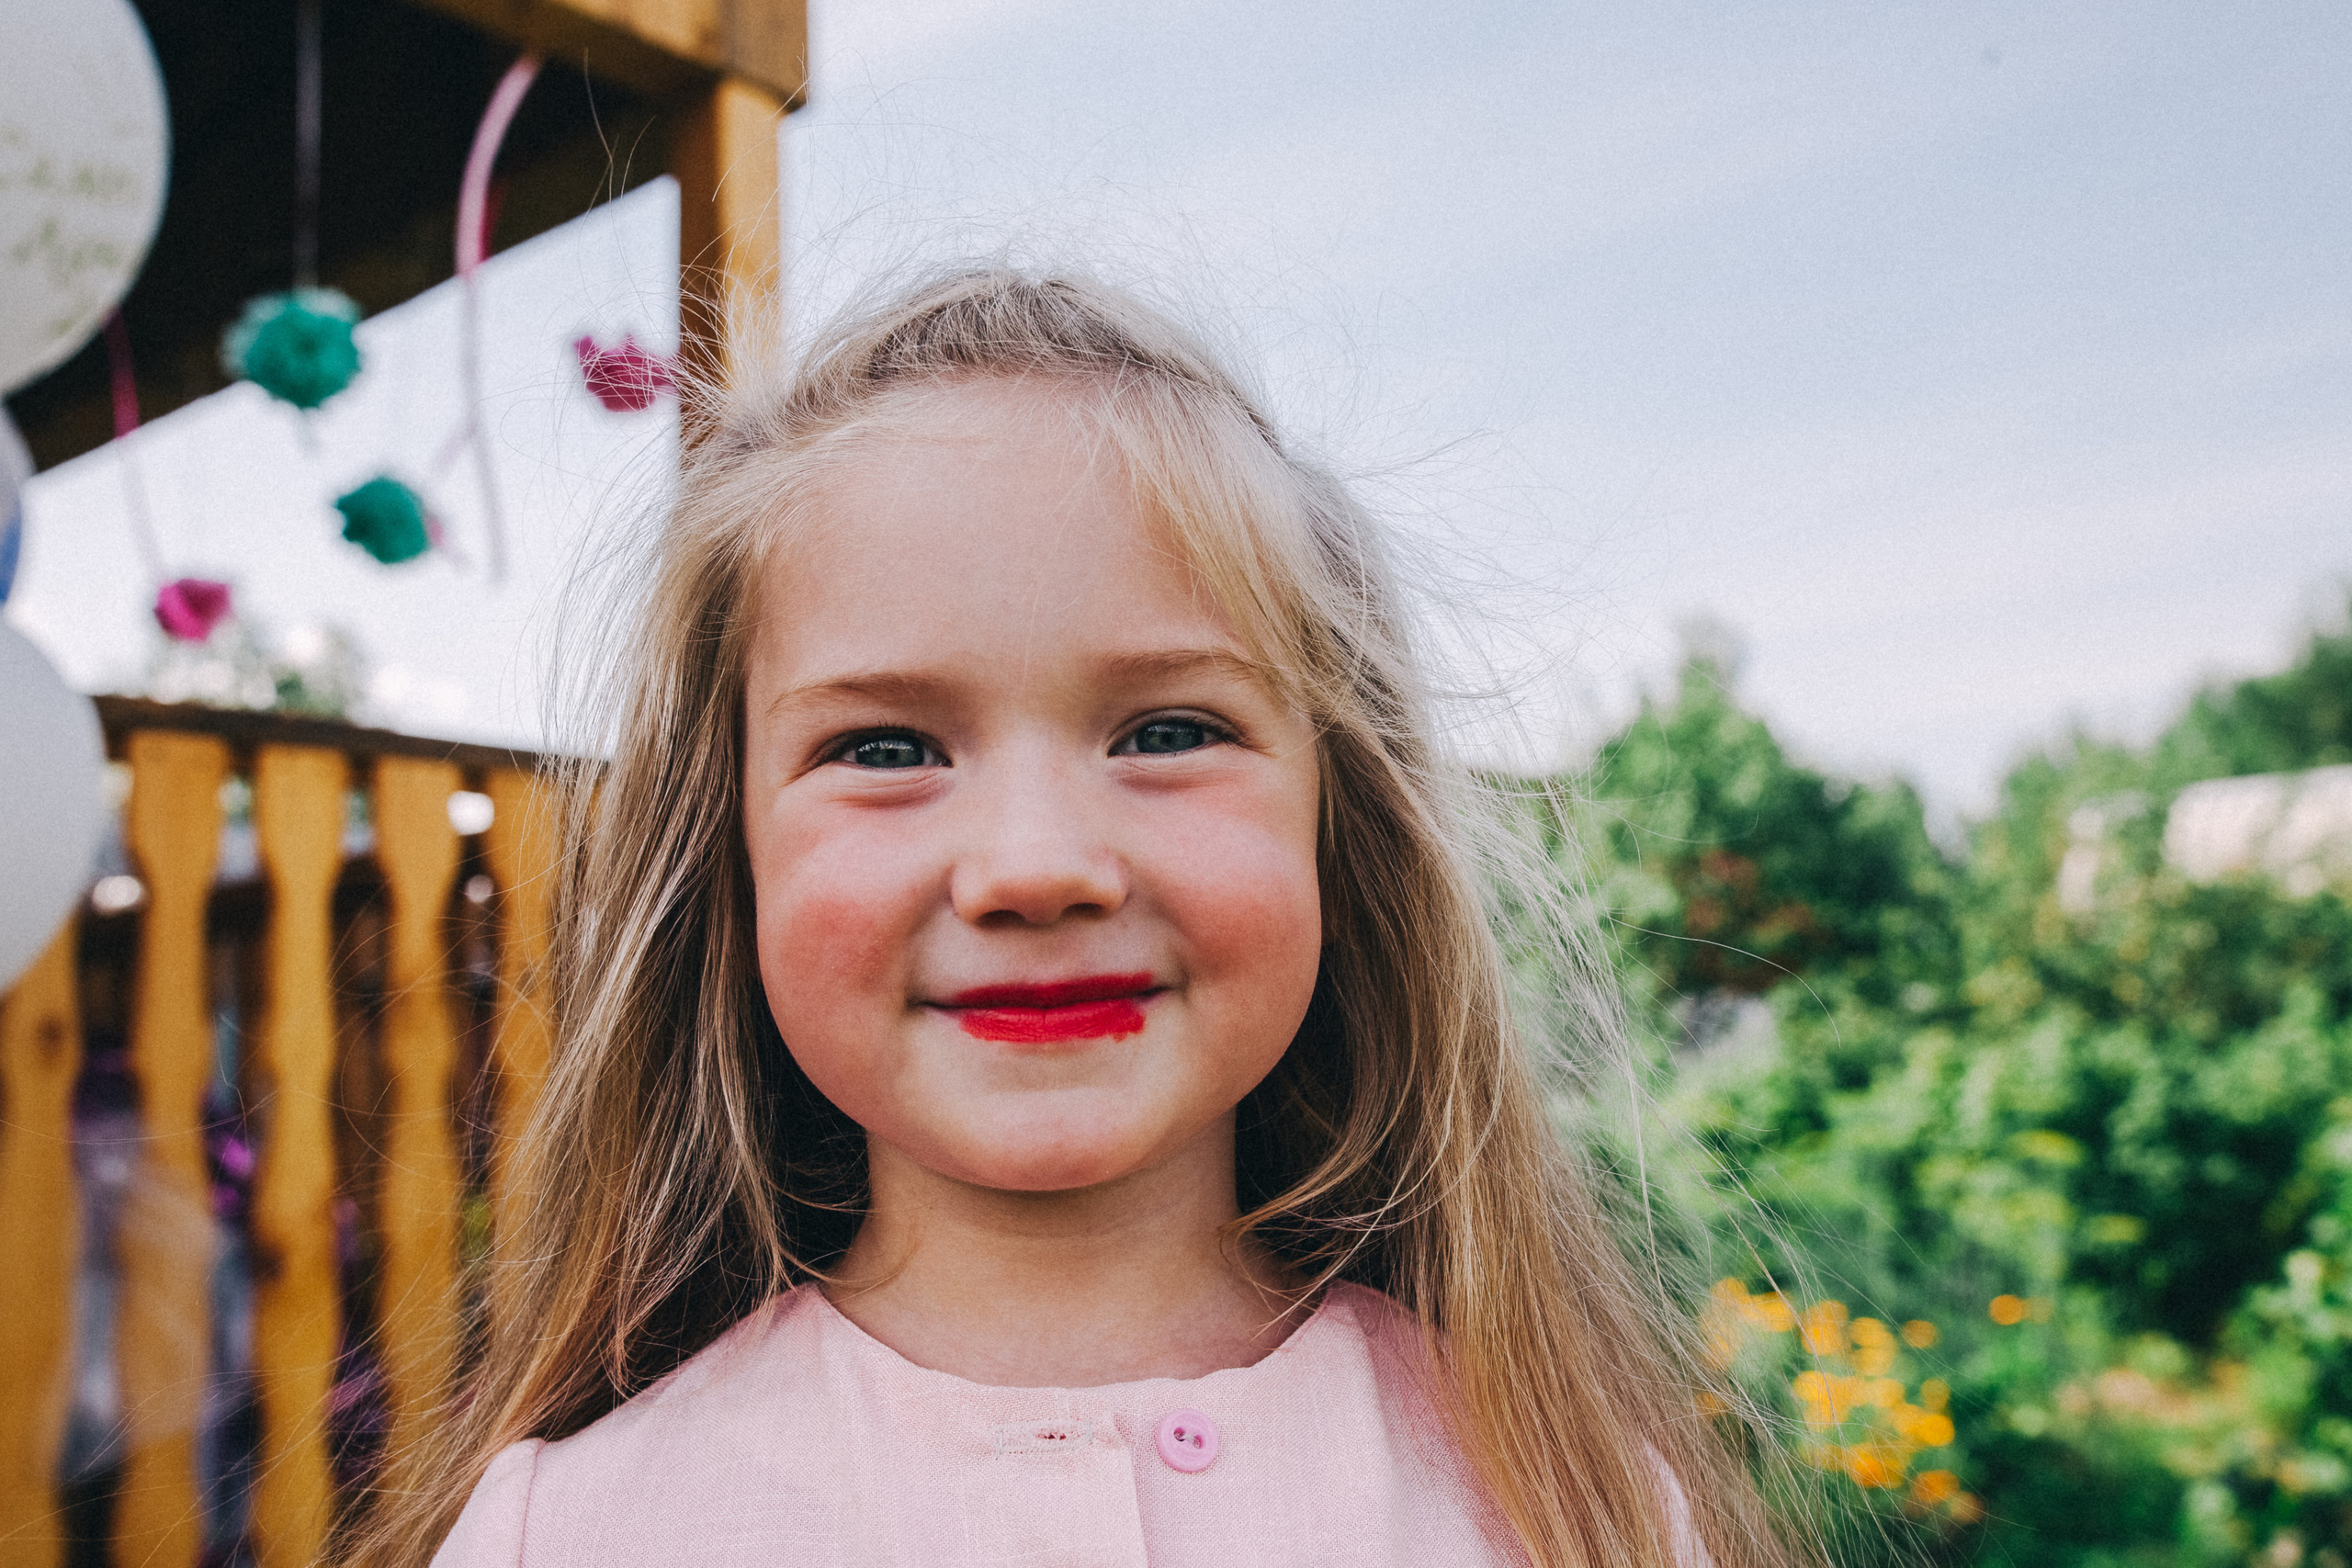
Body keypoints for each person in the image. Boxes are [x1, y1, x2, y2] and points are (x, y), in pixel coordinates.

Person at [349, 271, 1793, 1568]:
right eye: (887, 749)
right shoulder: (565, 1534)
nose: (1035, 868)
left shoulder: (1578, 1510)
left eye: (1168, 731)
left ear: (1341, 822)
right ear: (726, 859)